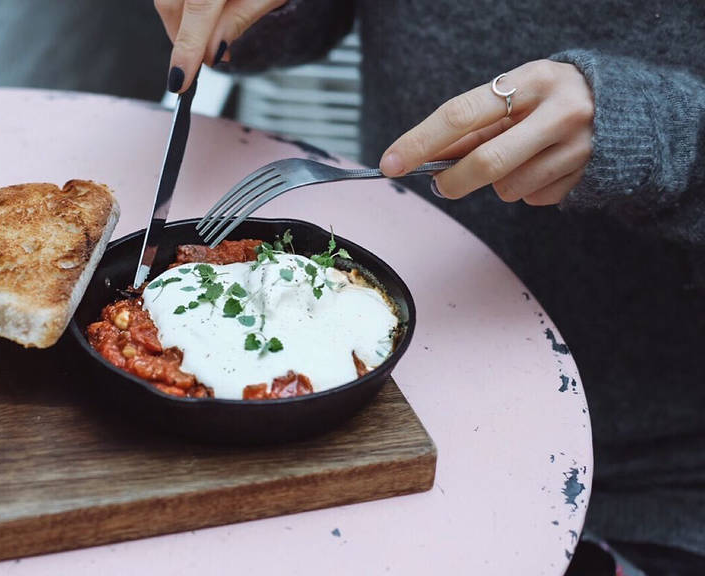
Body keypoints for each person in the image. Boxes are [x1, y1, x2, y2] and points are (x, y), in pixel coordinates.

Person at [153, 1, 705, 573]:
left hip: (645, 480)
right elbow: (303, 25)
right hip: (384, 381)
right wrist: (242, 17)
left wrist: (651, 129)